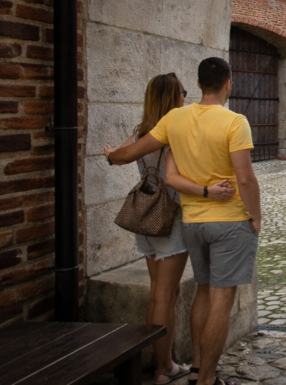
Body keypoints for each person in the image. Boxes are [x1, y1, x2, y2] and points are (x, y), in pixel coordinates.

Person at [105, 58, 259, 385]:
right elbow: (242, 179)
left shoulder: (165, 123)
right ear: (228, 83)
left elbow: (127, 154)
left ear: (201, 85)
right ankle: (194, 375)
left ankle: (181, 367)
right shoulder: (223, 122)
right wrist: (253, 215)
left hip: (169, 221)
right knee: (206, 297)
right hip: (205, 219)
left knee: (184, 294)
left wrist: (110, 155)